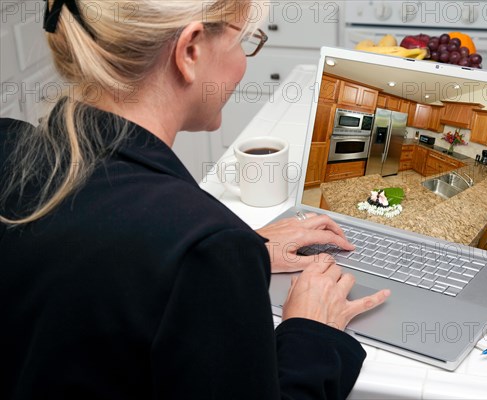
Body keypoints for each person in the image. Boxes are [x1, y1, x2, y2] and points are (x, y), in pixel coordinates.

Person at [0, 1, 389, 399]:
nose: (244, 62)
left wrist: (226, 257)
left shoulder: (7, 145)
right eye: (243, 42)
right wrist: (312, 332)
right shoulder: (205, 247)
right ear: (190, 51)